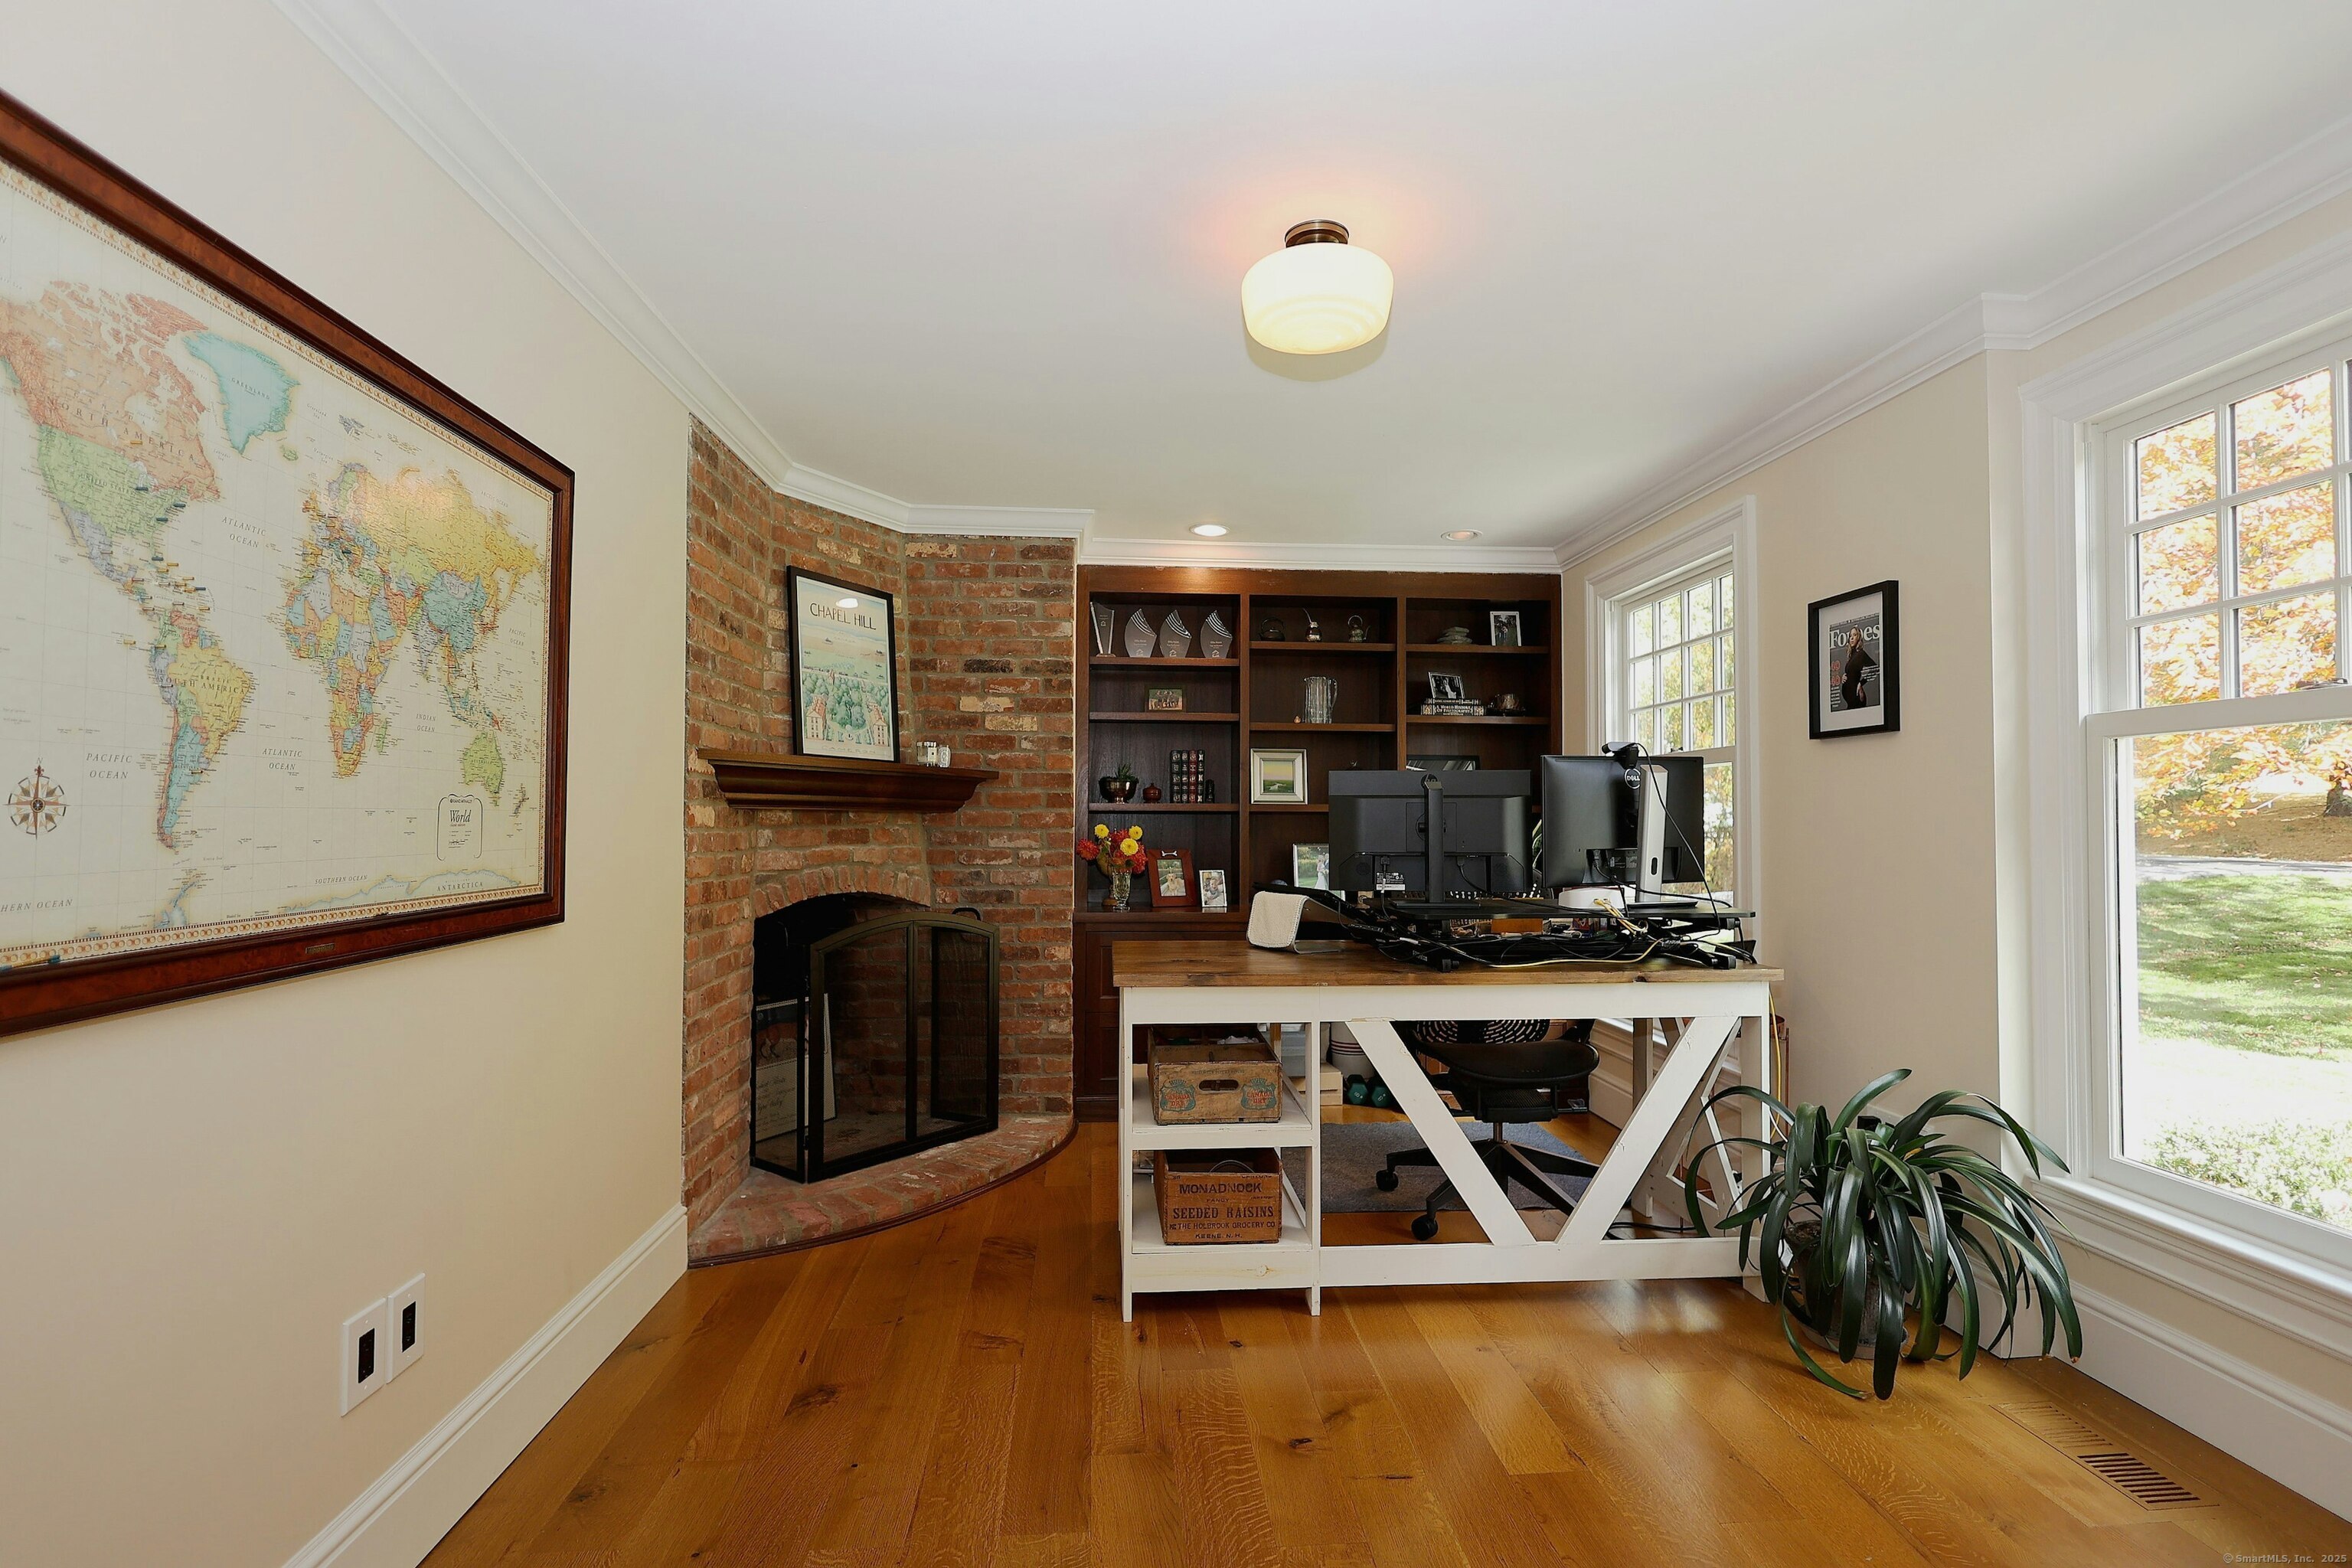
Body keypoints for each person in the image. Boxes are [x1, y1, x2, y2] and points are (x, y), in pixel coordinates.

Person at [1838, 626, 1877, 712]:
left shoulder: (1861, 654)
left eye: (1854, 635)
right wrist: (1844, 676)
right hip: (1850, 701)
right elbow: (1852, 673)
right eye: (1850, 636)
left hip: (1857, 699)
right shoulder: (1851, 656)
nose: (1851, 638)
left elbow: (1875, 668)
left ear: (1858, 637)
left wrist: (1861, 683)